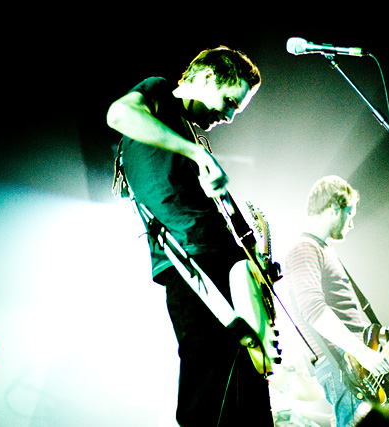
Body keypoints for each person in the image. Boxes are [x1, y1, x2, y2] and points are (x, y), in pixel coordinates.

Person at [106, 46, 273, 427]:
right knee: (208, 395)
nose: (228, 116)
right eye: (229, 102)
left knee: (247, 398)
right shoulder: (159, 92)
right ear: (207, 76)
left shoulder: (190, 134)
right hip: (193, 264)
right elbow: (118, 114)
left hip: (221, 263)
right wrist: (195, 155)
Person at [284, 175, 389, 427]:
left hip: (355, 363)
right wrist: (363, 353)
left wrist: (386, 334)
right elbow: (313, 310)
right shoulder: (304, 249)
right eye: (349, 214)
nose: (351, 223)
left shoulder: (324, 250)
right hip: (343, 366)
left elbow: (347, 320)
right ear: (334, 208)